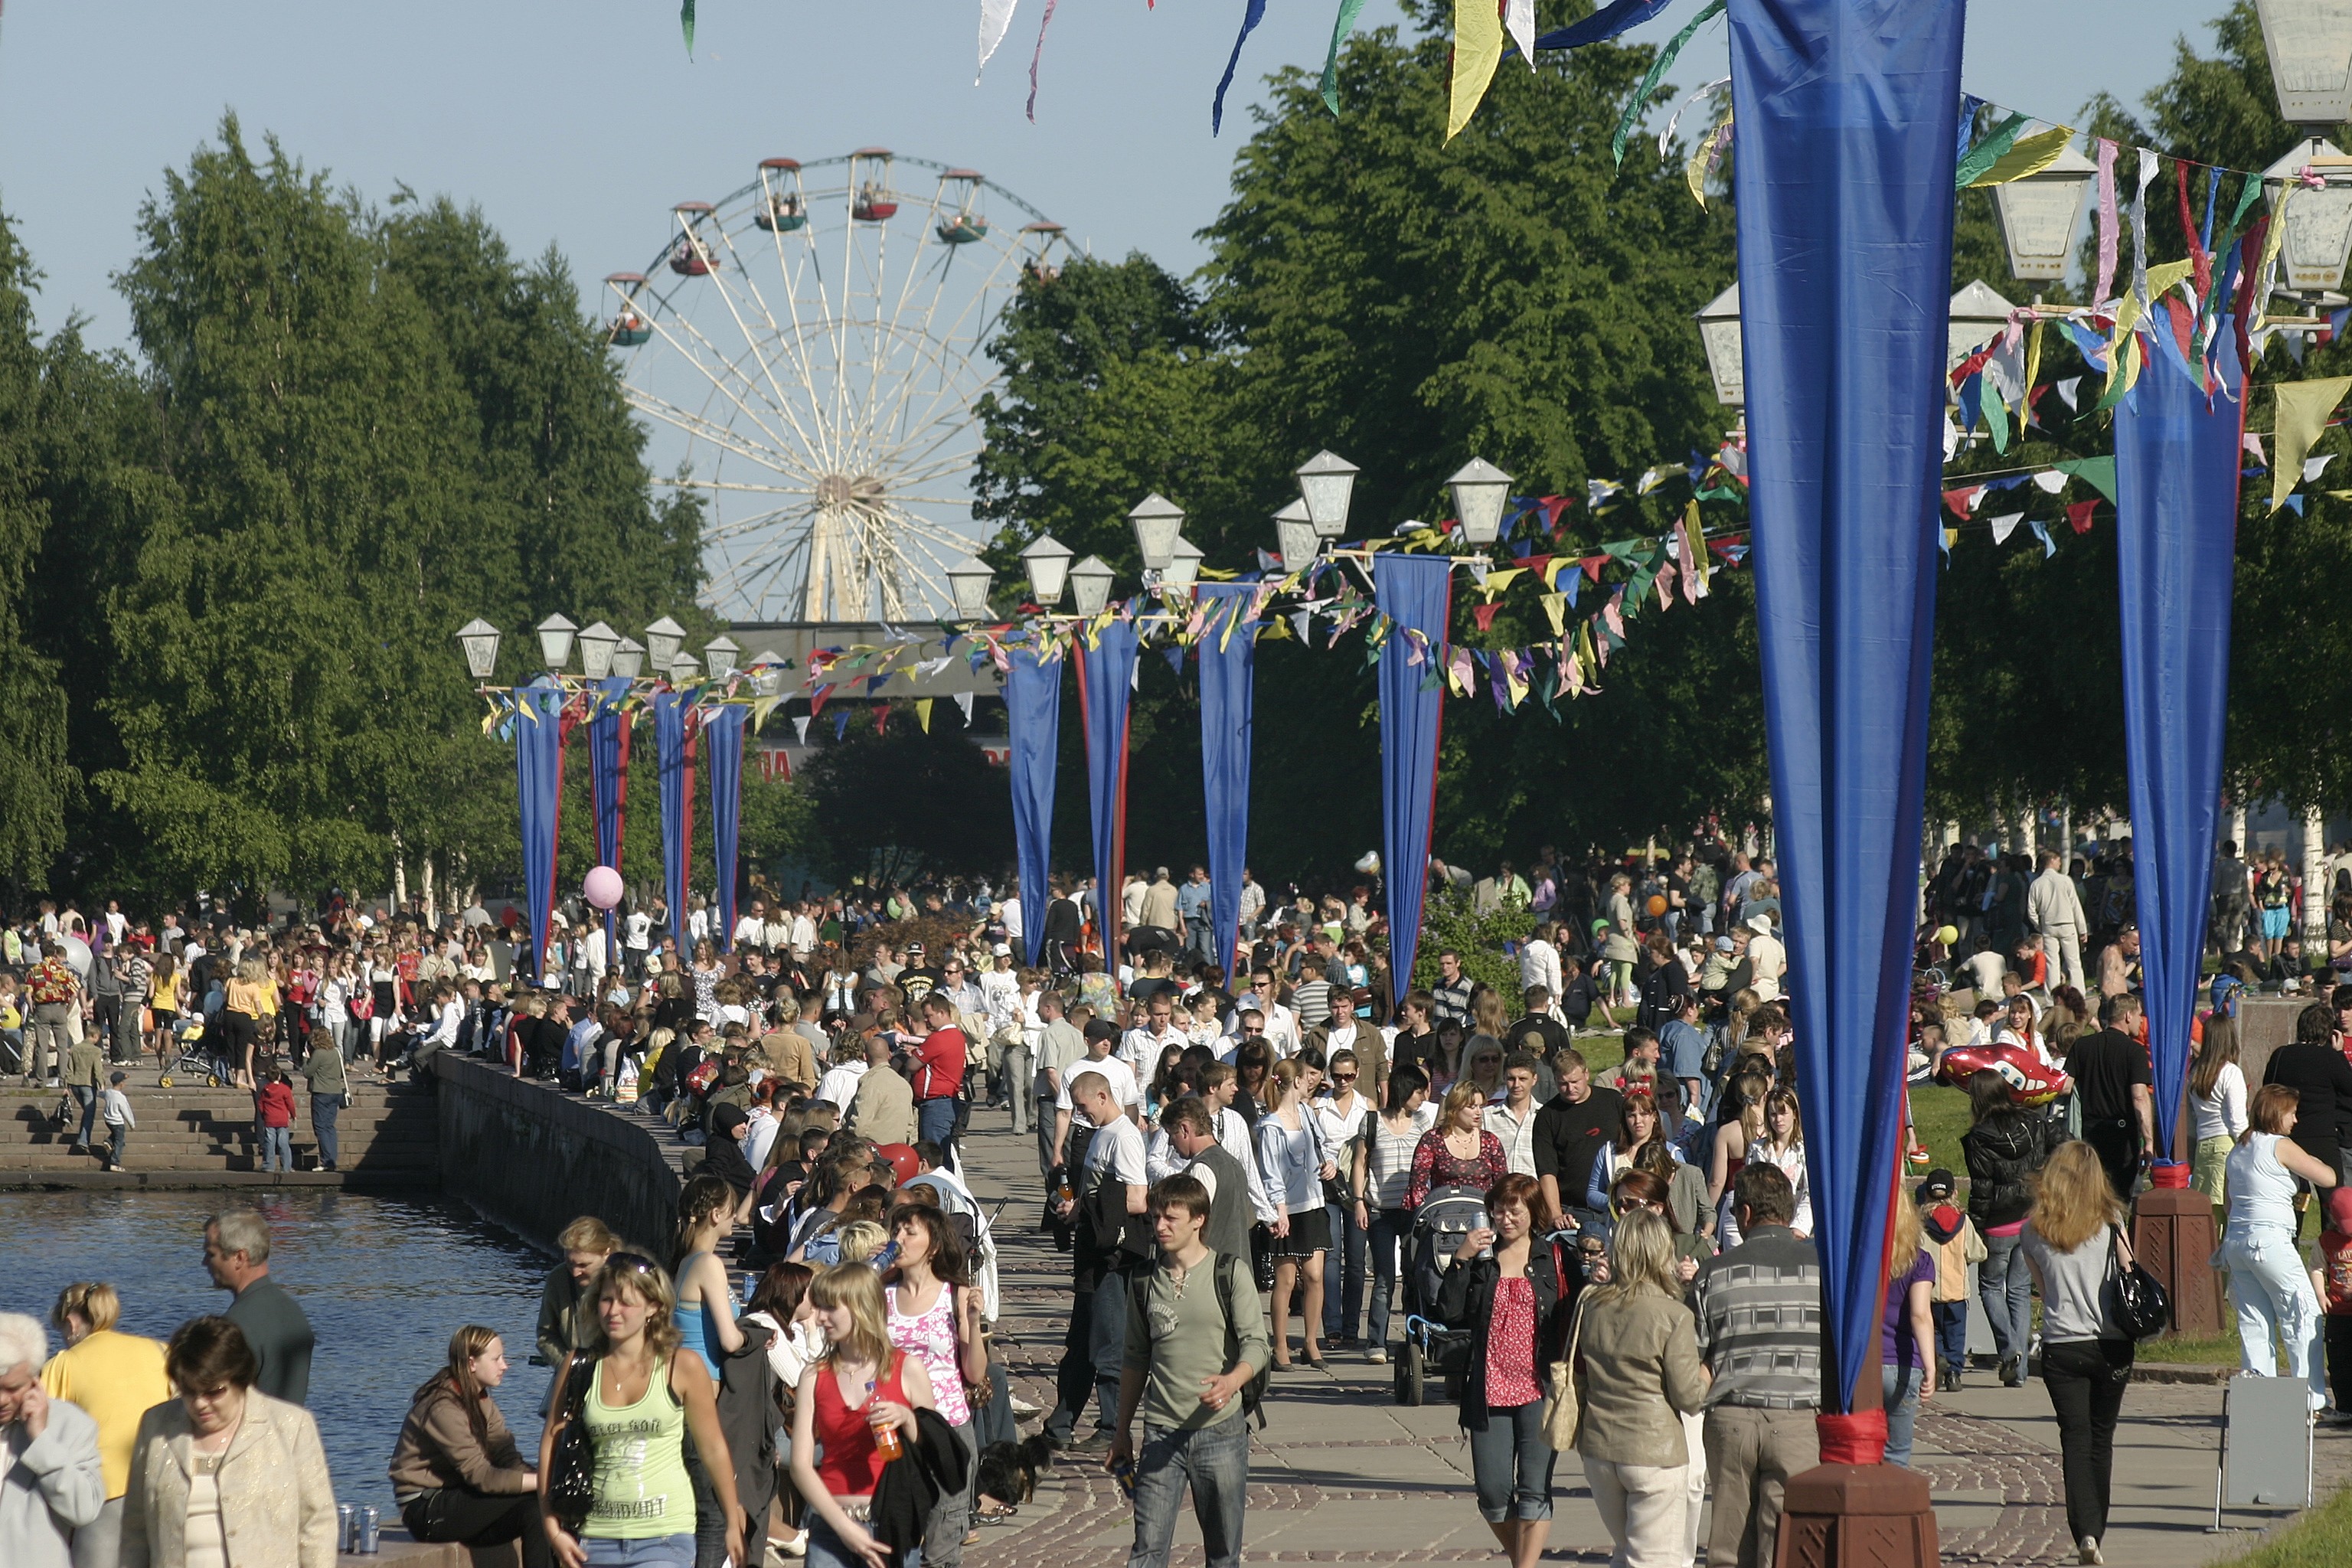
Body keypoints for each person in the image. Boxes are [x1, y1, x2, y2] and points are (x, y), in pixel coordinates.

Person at [537, 1255, 747, 1568]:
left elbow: (713, 1449)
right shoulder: (579, 1366)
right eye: (607, 1300)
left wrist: (732, 1520)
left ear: (653, 1307)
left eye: (626, 1302)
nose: (614, 1311)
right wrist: (552, 1528)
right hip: (594, 1539)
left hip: (666, 1537)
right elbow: (550, 1446)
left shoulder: (682, 1366)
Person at [1112, 1174, 1269, 1568]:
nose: (1159, 1226)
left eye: (1170, 1218)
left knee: (1222, 1553)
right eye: (1155, 1217)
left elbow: (1257, 1344)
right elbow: (1134, 1358)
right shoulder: (1145, 1280)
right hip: (1161, 1433)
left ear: (1198, 1219)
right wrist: (1121, 1433)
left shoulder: (1228, 1272)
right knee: (1147, 1550)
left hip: (1221, 1432)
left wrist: (1233, 1380)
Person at [120, 1316, 338, 1568]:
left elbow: (317, 1524)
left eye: (214, 1391)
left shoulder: (292, 1426)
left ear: (240, 1380)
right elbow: (135, 1529)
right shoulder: (156, 1425)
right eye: (189, 1391)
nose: (200, 1403)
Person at [1436, 1174, 1573, 1568]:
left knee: (1534, 1490)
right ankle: (1522, 1559)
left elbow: (1577, 1314)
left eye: (1516, 1209)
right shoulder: (1482, 1260)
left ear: (1533, 1212)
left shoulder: (1553, 1258)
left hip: (1539, 1389)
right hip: (1489, 1388)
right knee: (1493, 1493)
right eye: (1499, 1208)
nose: (1506, 1217)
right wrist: (1460, 1260)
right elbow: (1447, 1311)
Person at [1691, 1163, 1820, 1568]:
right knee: (1785, 1543)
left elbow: (1695, 1350)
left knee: (1729, 1541)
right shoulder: (1821, 1269)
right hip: (1799, 1419)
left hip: (1731, 1419)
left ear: (1745, 1214)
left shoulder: (1714, 1272)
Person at [2020, 1140, 2139, 1566]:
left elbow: (2044, 1289)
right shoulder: (2111, 1222)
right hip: (2111, 1343)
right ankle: (2097, 1530)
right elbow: (2130, 1270)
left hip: (2062, 1344)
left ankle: (2084, 1531)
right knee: (2102, 1438)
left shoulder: (2032, 1230)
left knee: (2074, 1438)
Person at [1572, 1209, 1708, 1568]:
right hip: (1654, 1451)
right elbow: (1689, 1397)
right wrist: (1709, 1370)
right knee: (1653, 1560)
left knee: (1627, 1552)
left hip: (1599, 1448)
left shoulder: (1593, 1305)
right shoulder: (1673, 1315)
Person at [786, 1263, 939, 1568]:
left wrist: (908, 1419)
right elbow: (800, 1466)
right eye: (819, 1307)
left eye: (830, 1308)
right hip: (830, 1525)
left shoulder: (906, 1369)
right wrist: (844, 1529)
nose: (820, 1317)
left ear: (861, 1307)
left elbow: (936, 1452)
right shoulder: (814, 1375)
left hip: (890, 1522)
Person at [2218, 1084, 2341, 1412]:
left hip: (2238, 1242)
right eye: (2291, 1113)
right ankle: (2310, 1396)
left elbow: (2230, 1204)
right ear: (2276, 1113)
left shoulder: (2238, 1149)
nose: (2295, 1120)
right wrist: (2313, 1158)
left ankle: (2259, 1398)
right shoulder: (2280, 1145)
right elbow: (2328, 1177)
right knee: (2302, 1313)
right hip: (2270, 1239)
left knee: (2254, 1321)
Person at [1046, 1069, 1150, 1449]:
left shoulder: (1124, 1137)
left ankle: (1111, 1429)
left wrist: (1081, 1210)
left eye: (1084, 1105)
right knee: (1080, 1343)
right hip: (1091, 1253)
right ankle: (1060, 1423)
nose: (1080, 1113)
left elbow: (1137, 1199)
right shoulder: (1099, 1134)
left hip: (1112, 1258)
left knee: (1108, 1343)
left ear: (1103, 1097)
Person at [390, 1326, 549, 1568]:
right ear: (472, 1363)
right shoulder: (442, 1406)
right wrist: (543, 1482)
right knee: (540, 1495)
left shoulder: (482, 1399)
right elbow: (482, 1477)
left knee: (538, 1510)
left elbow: (506, 1455)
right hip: (425, 1508)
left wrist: (543, 1480)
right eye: (496, 1359)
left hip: (460, 1499)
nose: (505, 1366)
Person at [884, 1204, 988, 1568]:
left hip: (948, 1427)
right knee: (897, 1533)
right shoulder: (882, 1296)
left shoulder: (954, 1295)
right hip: (895, 1428)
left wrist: (973, 1323)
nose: (899, 1239)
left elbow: (973, 1374)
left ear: (933, 1246)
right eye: (896, 1231)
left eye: (909, 1232)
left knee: (945, 1536)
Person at [39, 1283, 169, 1568]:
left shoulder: (64, 1365)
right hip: (162, 1486)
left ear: (71, 1323)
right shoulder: (162, 1351)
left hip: (105, 1495)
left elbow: (41, 1434)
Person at [1960, 1070, 2050, 1389]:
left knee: (1990, 1287)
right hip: (2029, 1217)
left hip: (1998, 1223)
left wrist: (1977, 1224)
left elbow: (1982, 1188)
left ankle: (2010, 1348)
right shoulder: (2032, 1123)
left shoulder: (1977, 1138)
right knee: (2020, 1291)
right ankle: (2020, 1369)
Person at [1, 1312, 104, 1568]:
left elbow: (84, 1510)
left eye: (13, 1389)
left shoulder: (70, 1425)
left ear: (36, 1381)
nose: (2, 1399)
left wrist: (41, 1441)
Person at [1256, 1058, 1335, 1369]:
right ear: (1297, 1082)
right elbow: (1270, 1172)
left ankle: (1311, 1342)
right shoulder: (1270, 1125)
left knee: (1315, 1275)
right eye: (1307, 1078)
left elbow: (1323, 1144)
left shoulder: (1306, 1113)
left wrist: (1330, 1162)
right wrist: (1279, 1209)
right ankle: (1280, 1345)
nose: (1311, 1082)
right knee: (1286, 1279)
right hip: (1287, 1207)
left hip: (1313, 1202)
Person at [1358, 1067, 1436, 1364]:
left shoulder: (1421, 1121)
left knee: (1415, 1277)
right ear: (1405, 1091)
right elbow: (1359, 1162)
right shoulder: (1373, 1121)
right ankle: (1376, 1342)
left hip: (1414, 1211)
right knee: (1383, 1278)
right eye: (1419, 1091)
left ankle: (1415, 1339)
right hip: (1379, 1209)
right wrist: (1358, 1200)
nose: (1423, 1098)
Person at [203, 1210, 313, 1404]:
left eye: (211, 1254)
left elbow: (218, 1401)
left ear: (239, 1257)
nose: (204, 1262)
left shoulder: (235, 1326)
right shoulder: (294, 1312)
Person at [2262, 1002, 2352, 1197]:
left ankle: (2296, 1226)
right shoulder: (2329, 1056)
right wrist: (2339, 1054)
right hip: (2322, 1134)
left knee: (2294, 1194)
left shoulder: (2281, 1055)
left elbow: (2268, 1088)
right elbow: (2349, 1088)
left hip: (2288, 1134)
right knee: (2332, 1196)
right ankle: (2332, 1228)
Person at [1532, 1050, 1624, 1233]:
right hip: (1574, 1210)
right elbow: (1547, 1171)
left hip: (1618, 1204)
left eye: (1575, 1082)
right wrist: (1556, 1213)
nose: (1570, 1088)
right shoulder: (1548, 1115)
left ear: (1587, 1074)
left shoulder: (1612, 1102)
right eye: (1563, 1083)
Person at [1879, 1194, 1937, 1468]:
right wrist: (1931, 1365)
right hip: (1903, 1363)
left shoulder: (1864, 1258)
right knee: (1897, 1453)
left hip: (1864, 1364)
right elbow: (1920, 1315)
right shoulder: (1920, 1261)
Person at [673, 1175, 747, 1386]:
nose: (734, 1216)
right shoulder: (708, 1264)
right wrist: (755, 1336)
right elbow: (730, 1341)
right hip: (704, 1380)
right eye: (731, 1209)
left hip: (683, 1374)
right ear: (716, 1214)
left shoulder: (684, 1261)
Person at [538, 1219, 621, 1374]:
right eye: (570, 1263)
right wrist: (570, 1367)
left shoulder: (628, 1281)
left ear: (606, 1254)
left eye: (584, 1265)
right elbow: (546, 1335)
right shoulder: (558, 1279)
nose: (575, 1273)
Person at [2188, 1013, 2248, 1212]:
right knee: (2226, 1211)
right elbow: (2237, 1120)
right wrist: (2250, 1149)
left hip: (2202, 1145)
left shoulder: (2195, 1071)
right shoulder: (2231, 1072)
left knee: (2207, 1211)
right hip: (2226, 1144)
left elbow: (2191, 1117)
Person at [299, 1027, 348, 1171]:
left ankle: (327, 1161)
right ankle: (331, 1159)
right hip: (336, 1092)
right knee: (329, 1127)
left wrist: (306, 1057)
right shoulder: (336, 1052)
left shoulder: (319, 1054)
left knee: (320, 1127)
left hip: (321, 1093)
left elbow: (307, 1073)